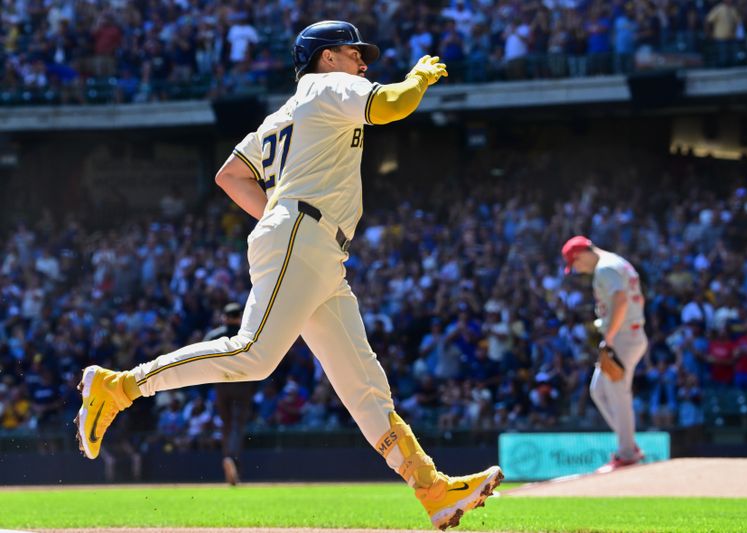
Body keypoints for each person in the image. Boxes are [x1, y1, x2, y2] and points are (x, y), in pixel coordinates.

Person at [74, 20, 502, 530]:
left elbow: (230, 175)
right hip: (305, 233)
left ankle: (430, 488)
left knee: (364, 385)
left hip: (311, 242)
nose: (362, 63)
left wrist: (278, 217)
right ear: (325, 57)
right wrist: (418, 79)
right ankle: (119, 387)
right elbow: (390, 106)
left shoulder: (286, 113)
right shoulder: (326, 85)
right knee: (253, 354)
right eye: (352, 52)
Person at [562, 235, 648, 472]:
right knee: (599, 390)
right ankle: (629, 446)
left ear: (581, 254)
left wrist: (609, 336)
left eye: (575, 263)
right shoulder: (616, 261)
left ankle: (627, 453)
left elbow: (620, 300)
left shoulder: (605, 267)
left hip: (622, 336)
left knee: (617, 394)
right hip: (627, 333)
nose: (577, 269)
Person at [203, 302, 255, 485]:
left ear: (224, 317)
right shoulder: (245, 335)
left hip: (221, 385)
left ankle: (228, 458)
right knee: (237, 425)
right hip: (242, 384)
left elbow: (202, 358)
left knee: (226, 425)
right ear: (240, 316)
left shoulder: (214, 335)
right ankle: (233, 460)